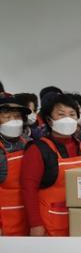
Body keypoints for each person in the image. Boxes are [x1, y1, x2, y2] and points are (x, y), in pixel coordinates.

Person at [21, 93, 81, 236]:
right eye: (61, 114)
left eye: (72, 114)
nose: (67, 119)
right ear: (49, 120)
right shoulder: (37, 149)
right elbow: (28, 189)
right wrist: (35, 224)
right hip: (50, 224)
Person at [0, 96, 33, 236]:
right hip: (5, 222)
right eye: (7, 117)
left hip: (28, 218)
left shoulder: (30, 144)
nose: (13, 121)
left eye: (17, 116)